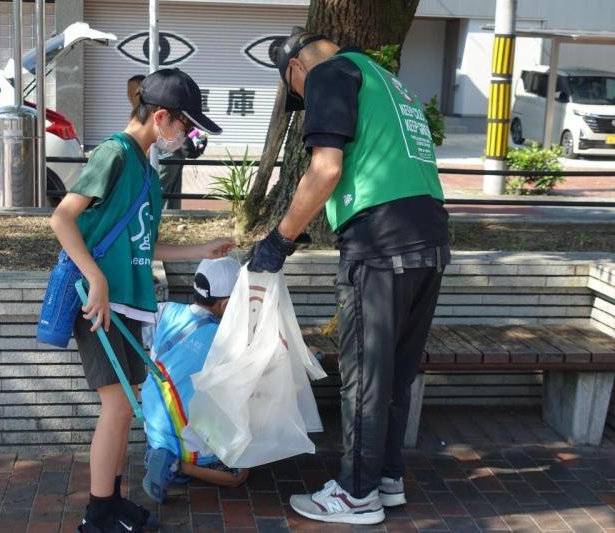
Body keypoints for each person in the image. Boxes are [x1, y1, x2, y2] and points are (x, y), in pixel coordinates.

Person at [247, 28, 450, 525]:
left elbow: (326, 169)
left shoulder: (328, 74)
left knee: (364, 377)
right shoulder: (386, 80)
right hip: (430, 240)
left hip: (380, 245)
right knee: (397, 374)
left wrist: (279, 241)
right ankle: (386, 479)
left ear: (296, 69)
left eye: (296, 94)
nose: (302, 98)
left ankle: (357, 495)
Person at [49, 68, 233, 533]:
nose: (186, 137)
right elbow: (61, 219)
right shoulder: (114, 154)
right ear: (161, 116)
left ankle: (110, 502)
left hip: (130, 304)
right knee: (118, 407)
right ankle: (97, 516)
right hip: (101, 303)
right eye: (185, 126)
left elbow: (143, 247)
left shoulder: (147, 171)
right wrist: (96, 280)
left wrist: (200, 250)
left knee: (124, 405)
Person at [140, 256, 248, 503]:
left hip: (154, 427)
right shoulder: (224, 338)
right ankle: (177, 465)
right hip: (186, 435)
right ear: (225, 304)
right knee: (239, 472)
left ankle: (159, 454)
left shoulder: (166, 311)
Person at [127, 74, 207, 209]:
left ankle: (160, 213)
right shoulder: (115, 150)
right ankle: (164, 213)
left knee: (159, 189)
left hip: (168, 153)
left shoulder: (147, 112)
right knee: (165, 189)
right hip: (171, 153)